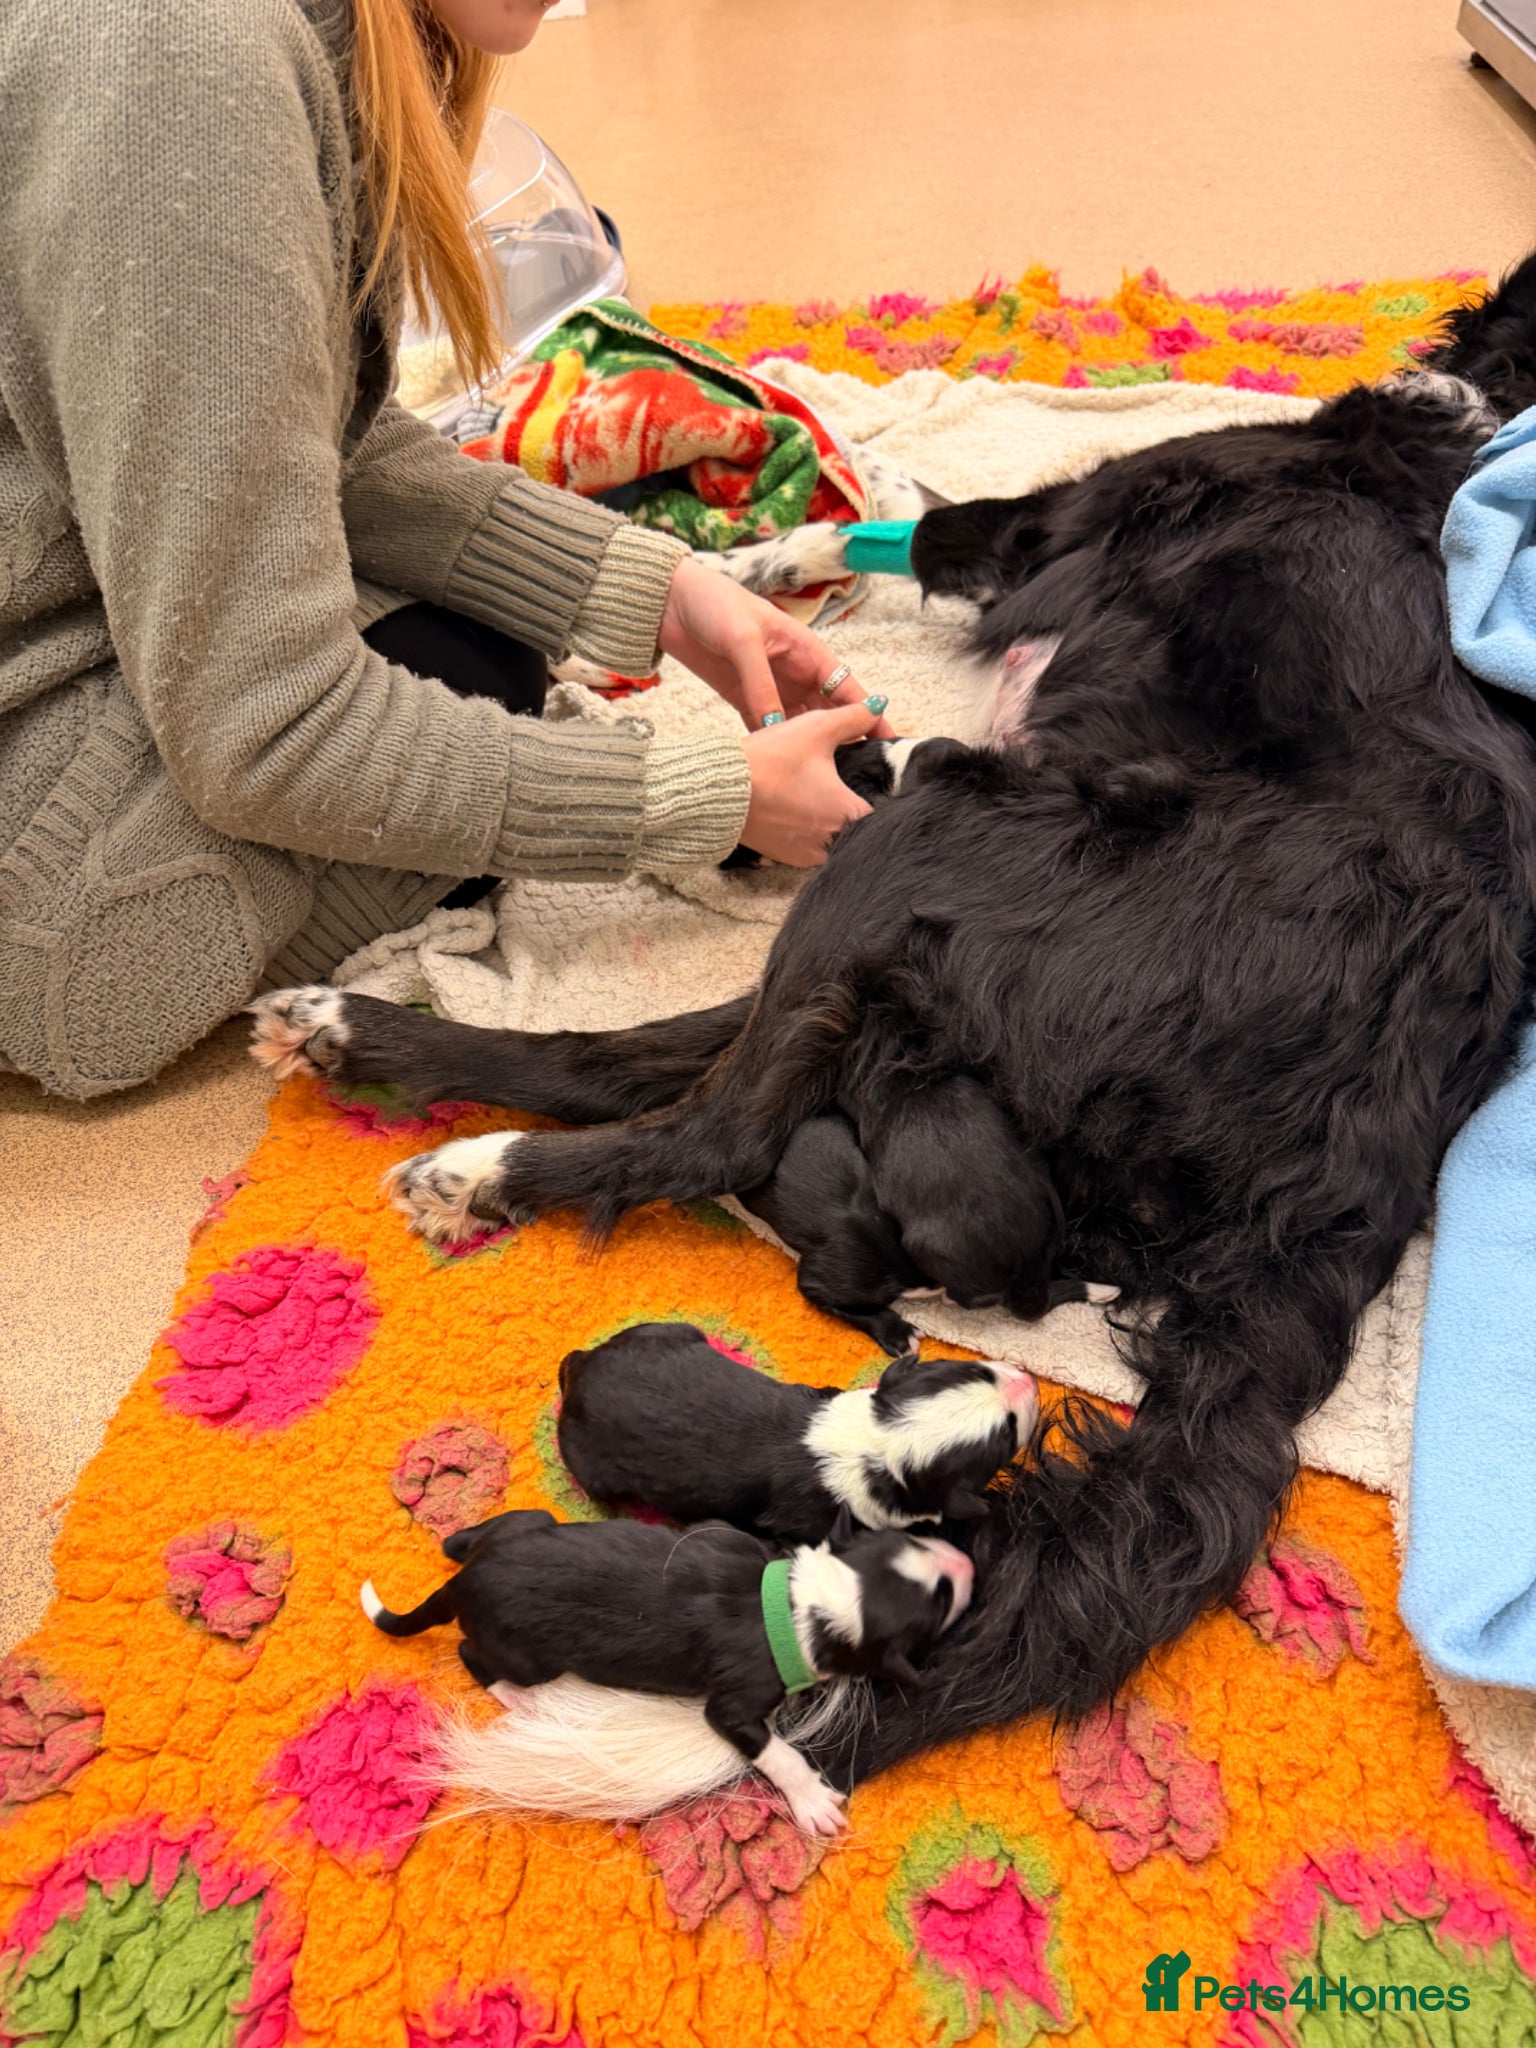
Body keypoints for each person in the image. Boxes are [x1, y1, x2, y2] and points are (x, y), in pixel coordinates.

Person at [0, 0, 889, 1100]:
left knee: (473, 656)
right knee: (464, 674)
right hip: (35, 861)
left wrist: (658, 588)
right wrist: (696, 798)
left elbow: (296, 432)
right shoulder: (176, 59)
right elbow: (266, 726)